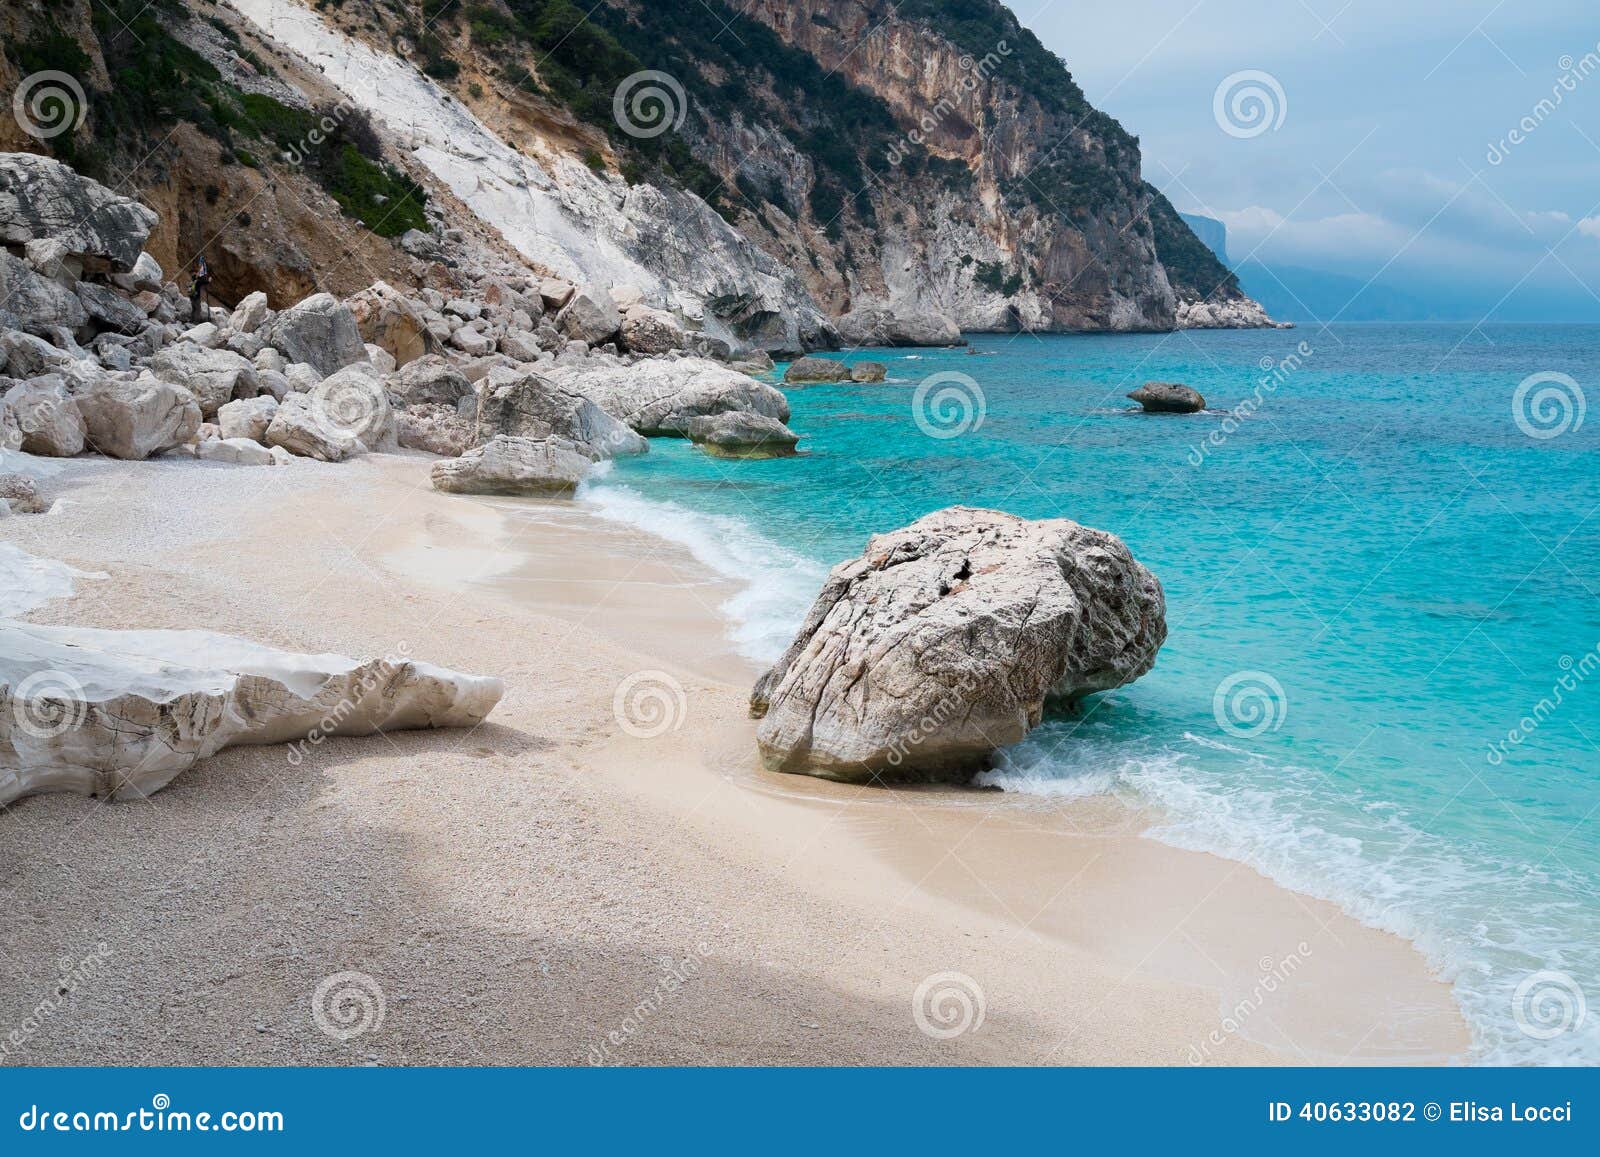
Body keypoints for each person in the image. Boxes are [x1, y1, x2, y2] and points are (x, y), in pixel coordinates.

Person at [189, 254, 212, 323]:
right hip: (196, 297)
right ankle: (196, 322)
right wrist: (209, 280)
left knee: (193, 309)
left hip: (191, 296)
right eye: (197, 273)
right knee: (198, 309)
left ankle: (191, 320)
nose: (198, 274)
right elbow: (205, 282)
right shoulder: (198, 281)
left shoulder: (192, 281)